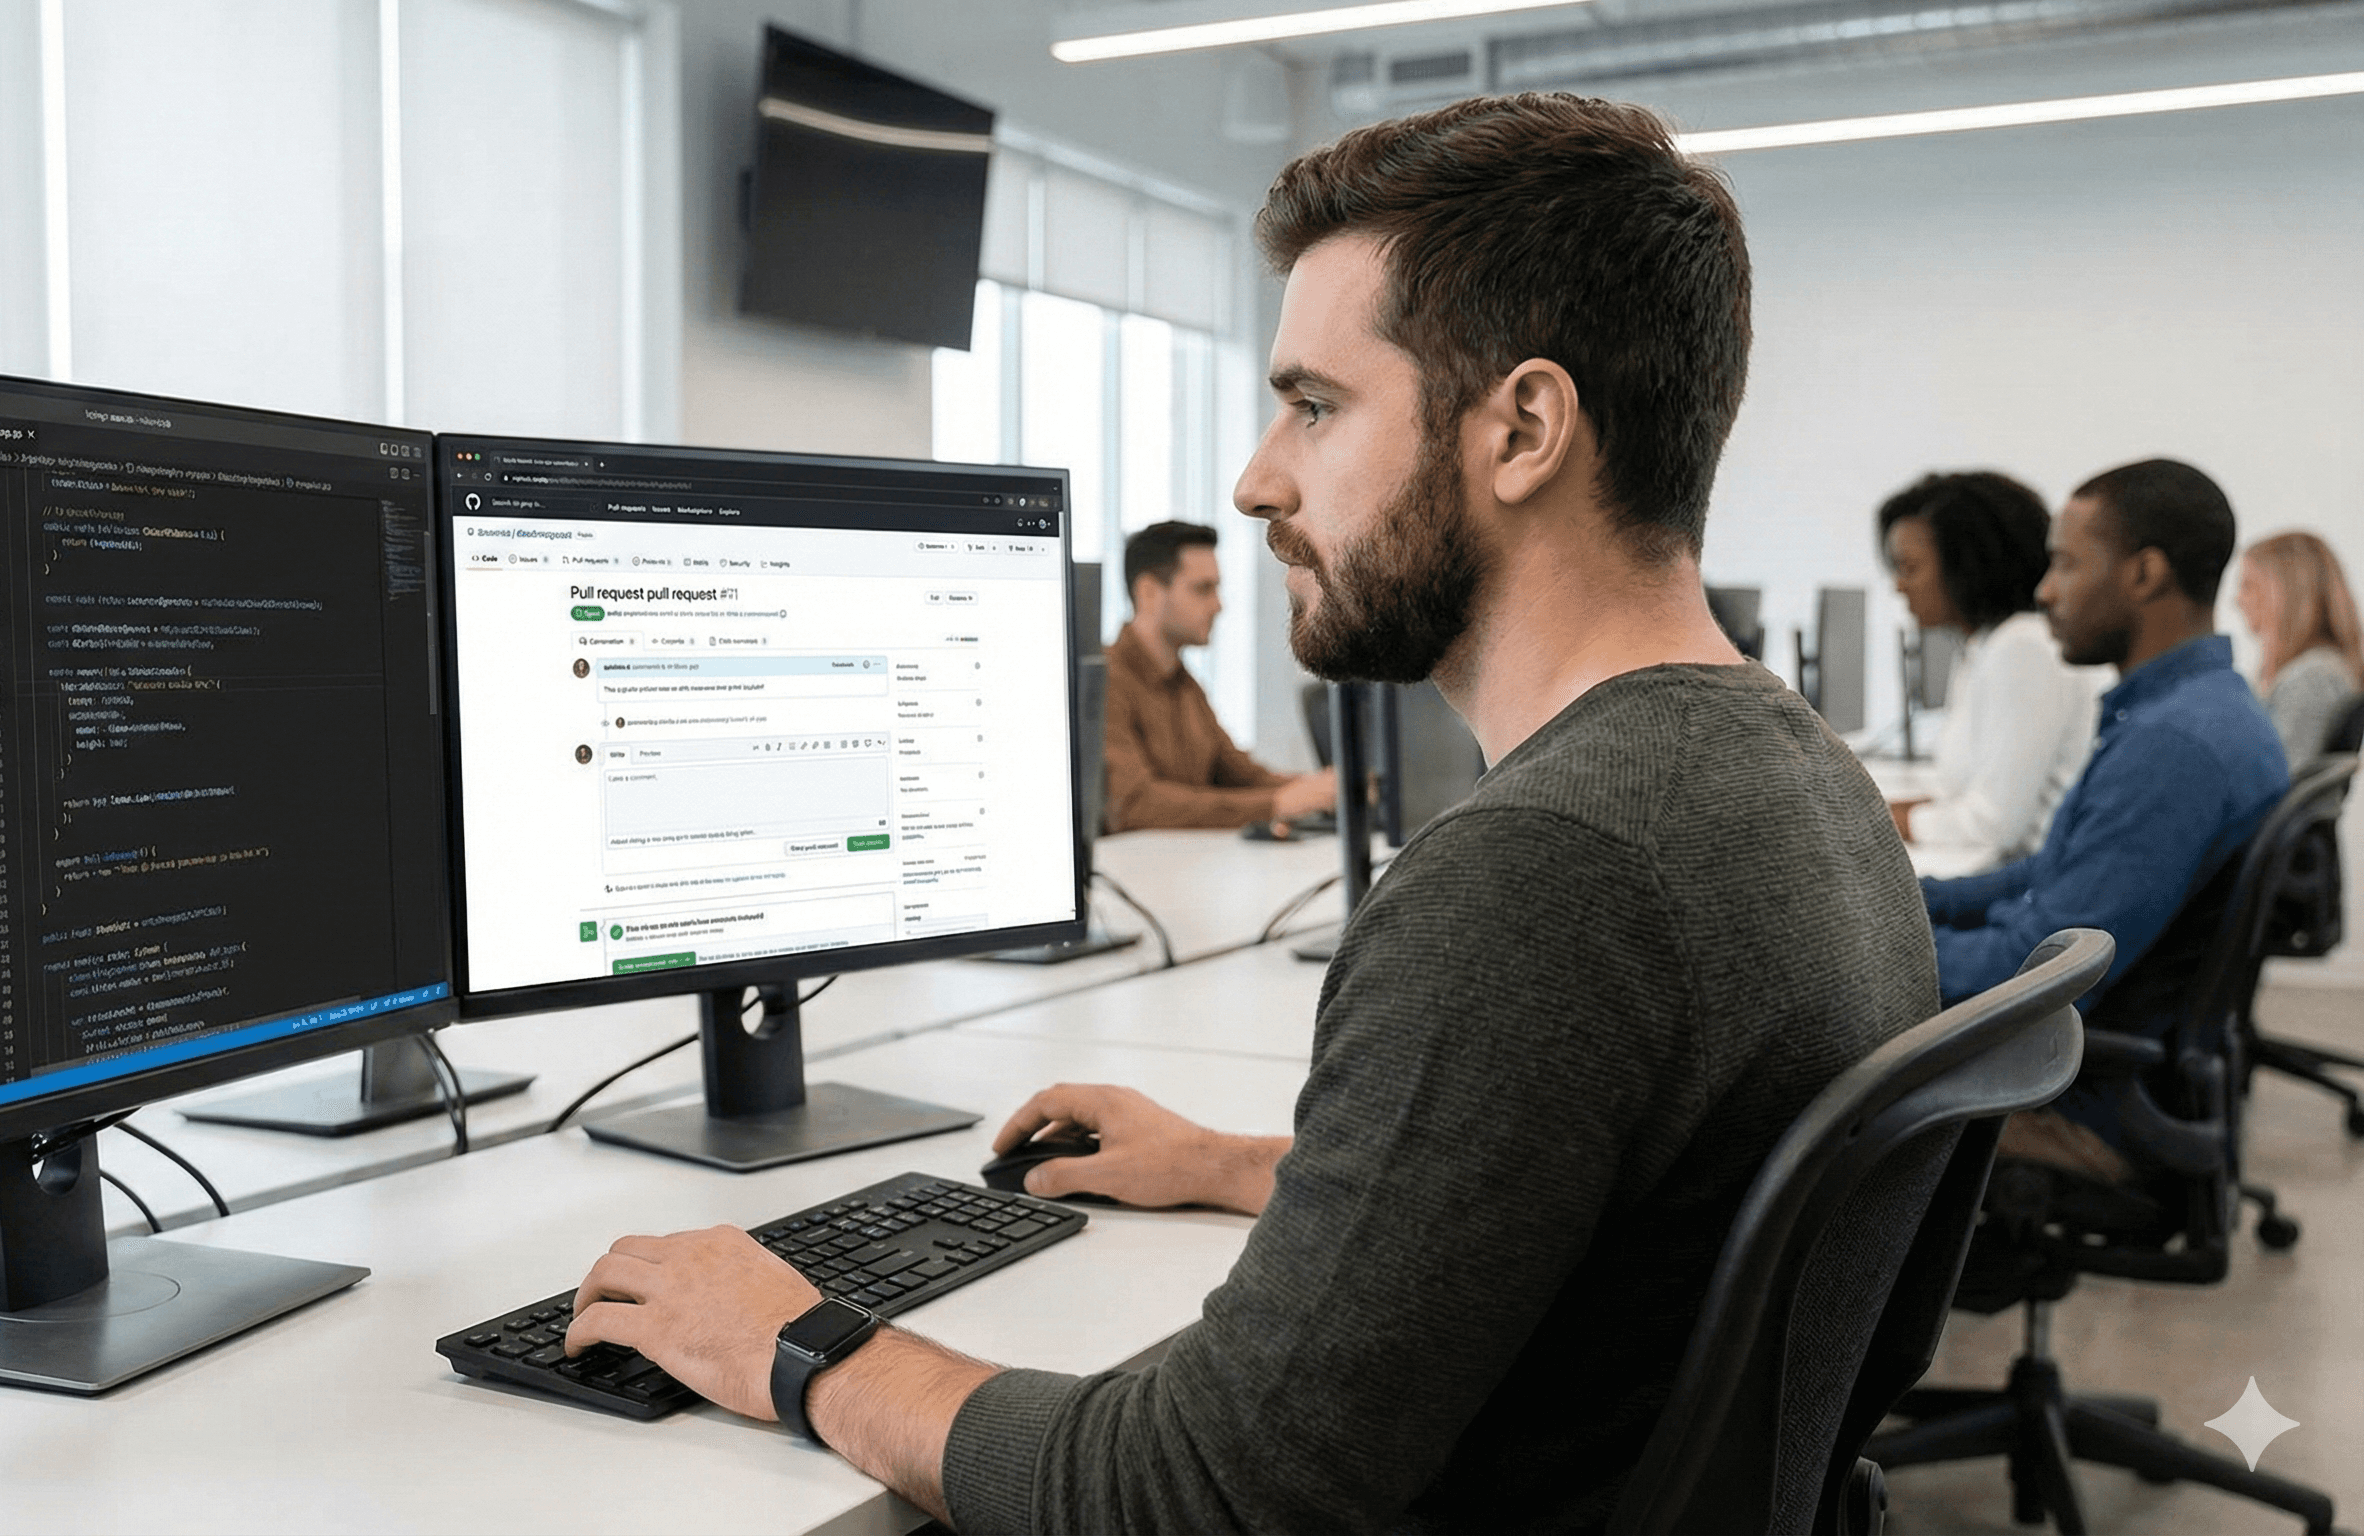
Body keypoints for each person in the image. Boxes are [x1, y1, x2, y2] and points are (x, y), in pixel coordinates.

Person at [553, 94, 1937, 1532]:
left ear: (1523, 428)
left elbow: (1198, 1493)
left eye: (1315, 406)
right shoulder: (1797, 778)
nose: (1258, 479)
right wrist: (1229, 1163)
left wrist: (799, 1344)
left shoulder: (1543, 871)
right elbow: (1598, 1209)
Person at [1922, 459, 2289, 1182]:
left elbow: (2042, 975)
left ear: (2145, 574)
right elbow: (2056, 870)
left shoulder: (2173, 746)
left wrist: (1872, 950)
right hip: (2106, 1071)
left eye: (2065, 563)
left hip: (2080, 1104)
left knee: (1788, 1097)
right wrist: (1915, 902)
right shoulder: (2198, 708)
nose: (2043, 590)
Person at [1875, 471, 2105, 875]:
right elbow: (1964, 794)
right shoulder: (1986, 645)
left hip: (2022, 880)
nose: (1899, 586)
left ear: (1967, 565)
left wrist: (1878, 820)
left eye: (1909, 568)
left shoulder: (2023, 645)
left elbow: (1994, 825)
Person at [1099, 520, 1334, 831]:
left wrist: (1320, 789)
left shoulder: (1183, 683)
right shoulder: (1105, 680)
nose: (1218, 605)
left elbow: (1240, 775)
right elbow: (1133, 805)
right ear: (1149, 592)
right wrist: (1277, 803)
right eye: (1202, 589)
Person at [2236, 530, 2364, 765]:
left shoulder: (2312, 679)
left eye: (2248, 585)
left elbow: (2280, 776)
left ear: (2284, 592)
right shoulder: (2313, 673)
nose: (2237, 600)